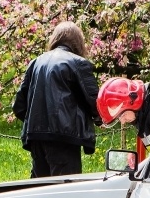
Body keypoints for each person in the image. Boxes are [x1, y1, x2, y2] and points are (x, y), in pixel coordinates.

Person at [12, 21, 100, 177]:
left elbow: (19, 106)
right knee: (65, 193)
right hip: (64, 138)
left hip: (36, 138)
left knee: (40, 191)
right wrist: (101, 120)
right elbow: (94, 101)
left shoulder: (36, 62)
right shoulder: (78, 63)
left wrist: (36, 122)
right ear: (78, 42)